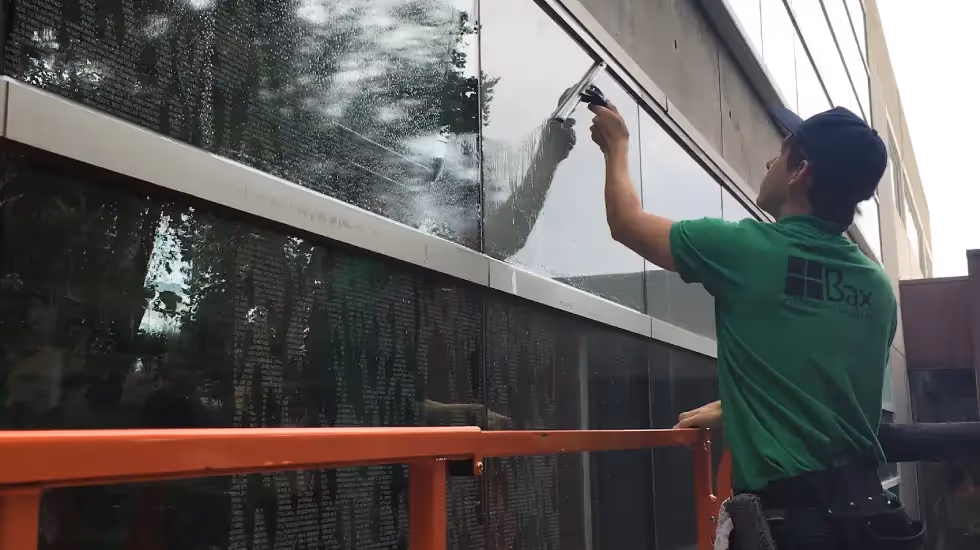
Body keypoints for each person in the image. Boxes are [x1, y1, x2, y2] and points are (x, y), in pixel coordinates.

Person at [588, 101, 924, 549]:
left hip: (794, 530)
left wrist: (617, 145)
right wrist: (736, 408)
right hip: (868, 521)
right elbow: (831, 393)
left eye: (780, 152)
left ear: (799, 170)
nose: (768, 162)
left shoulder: (745, 251)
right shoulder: (877, 288)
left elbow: (627, 223)